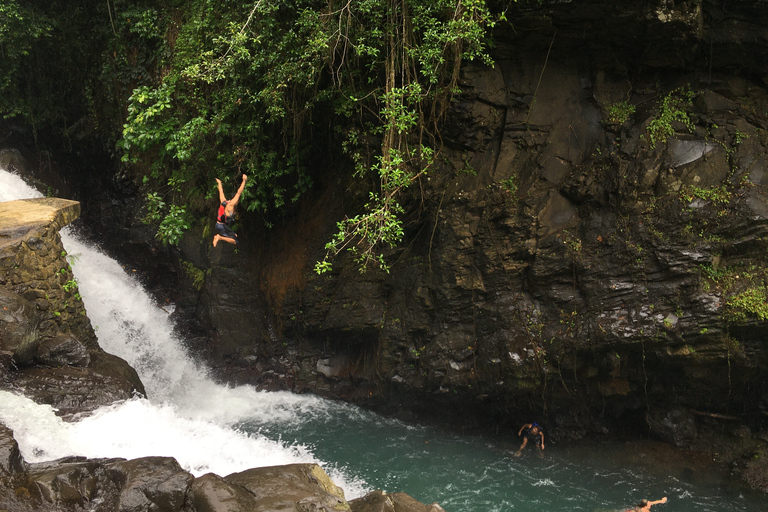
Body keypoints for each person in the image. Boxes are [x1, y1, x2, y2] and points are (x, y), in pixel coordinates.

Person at [213, 174, 247, 247]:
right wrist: (244, 180)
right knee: (235, 241)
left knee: (235, 235)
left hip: (220, 225)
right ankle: (219, 237)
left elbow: (221, 192)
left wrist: (219, 183)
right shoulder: (231, 205)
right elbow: (239, 192)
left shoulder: (224, 201)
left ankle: (224, 236)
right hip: (221, 226)